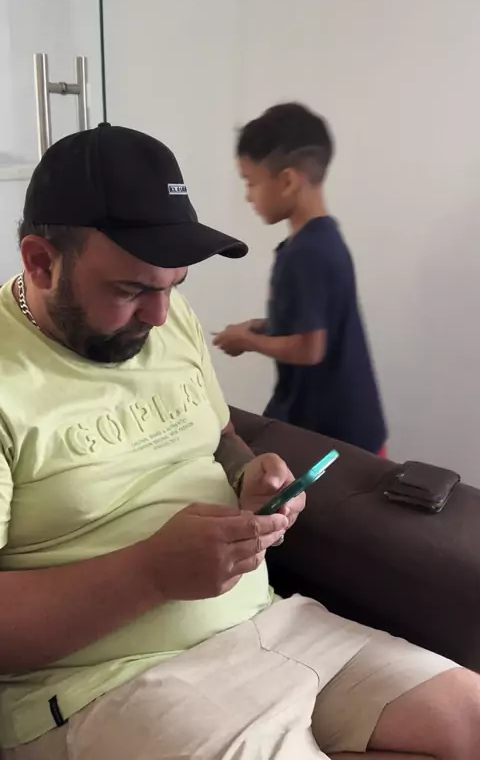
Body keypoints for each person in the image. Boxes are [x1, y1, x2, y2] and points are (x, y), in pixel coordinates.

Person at [0, 123, 477, 760]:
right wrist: (151, 573)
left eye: (174, 285)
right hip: (103, 685)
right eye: (131, 290)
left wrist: (248, 471)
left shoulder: (167, 319)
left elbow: (220, 432)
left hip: (271, 625)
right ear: (40, 262)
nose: (160, 317)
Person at [214, 103, 387, 455]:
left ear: (289, 181)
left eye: (251, 182)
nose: (247, 196)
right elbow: (319, 321)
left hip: (336, 436)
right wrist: (263, 326)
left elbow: (310, 348)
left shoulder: (306, 252)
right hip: (346, 424)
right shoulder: (323, 238)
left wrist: (247, 340)